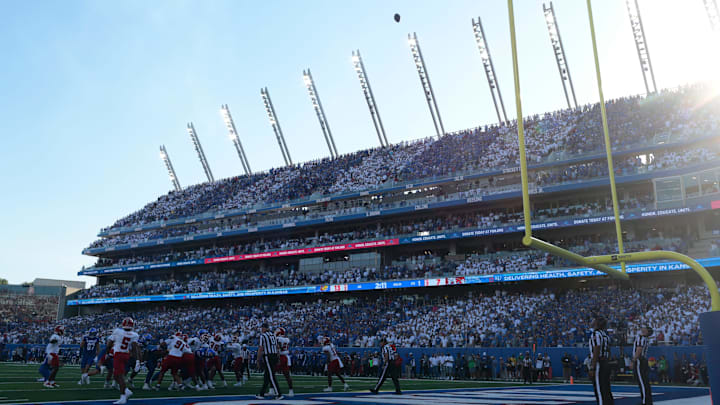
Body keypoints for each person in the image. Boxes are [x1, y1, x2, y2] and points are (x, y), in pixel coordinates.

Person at [107, 317, 140, 405]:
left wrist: (107, 353)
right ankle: (126, 390)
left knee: (120, 376)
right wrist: (137, 360)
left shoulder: (118, 331)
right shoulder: (134, 335)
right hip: (126, 354)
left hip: (118, 354)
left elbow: (109, 343)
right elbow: (134, 347)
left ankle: (123, 396)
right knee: (116, 375)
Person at [589, 316, 613, 405]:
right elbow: (609, 350)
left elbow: (596, 349)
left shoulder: (596, 334)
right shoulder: (605, 334)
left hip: (599, 362)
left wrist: (593, 366)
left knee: (599, 389)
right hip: (605, 361)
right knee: (606, 388)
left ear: (596, 323)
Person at [256, 323, 283, 400]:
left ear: (265, 328)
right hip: (274, 355)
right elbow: (277, 347)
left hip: (268, 356)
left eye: (262, 328)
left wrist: (258, 359)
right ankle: (262, 393)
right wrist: (278, 358)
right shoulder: (273, 335)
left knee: (271, 376)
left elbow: (261, 348)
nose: (261, 329)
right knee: (267, 375)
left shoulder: (263, 336)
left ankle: (279, 394)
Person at [631, 326, 653, 405]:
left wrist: (633, 360)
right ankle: (647, 400)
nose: (643, 329)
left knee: (642, 382)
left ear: (647, 332)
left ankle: (645, 401)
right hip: (642, 361)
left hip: (640, 360)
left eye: (645, 329)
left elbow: (639, 349)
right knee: (644, 382)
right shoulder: (645, 339)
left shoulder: (641, 338)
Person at [274, 327, 294, 397]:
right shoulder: (287, 339)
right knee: (287, 375)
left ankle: (272, 389)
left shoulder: (278, 339)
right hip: (286, 357)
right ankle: (291, 391)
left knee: (271, 373)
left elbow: (278, 348)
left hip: (281, 356)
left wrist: (278, 358)